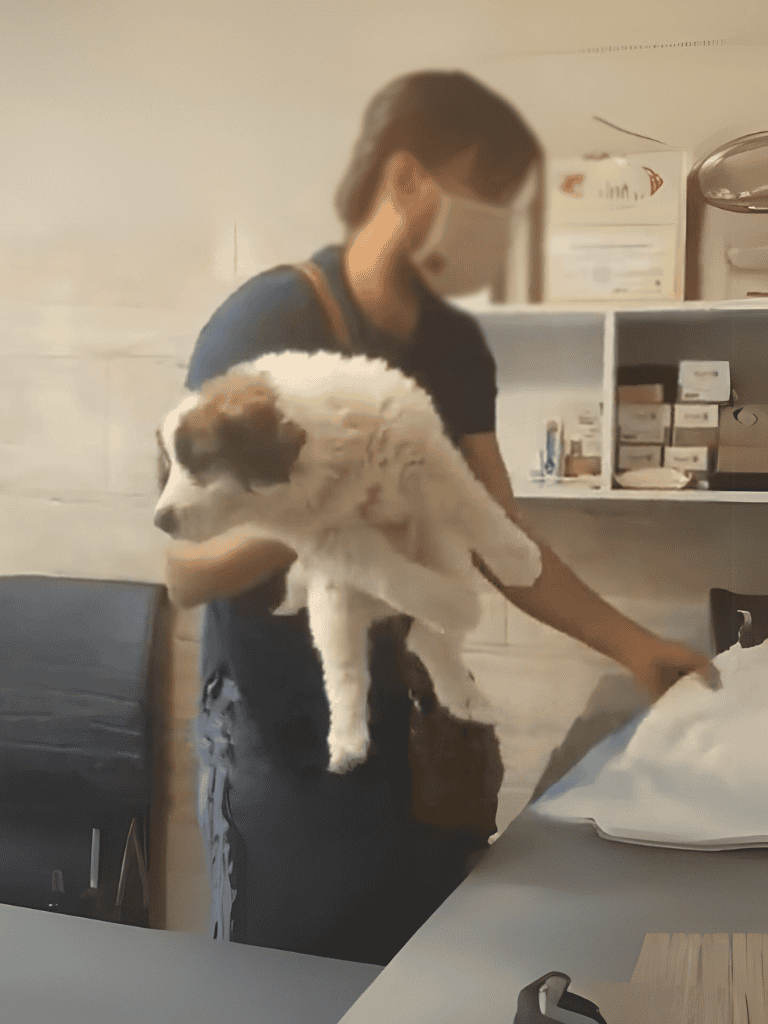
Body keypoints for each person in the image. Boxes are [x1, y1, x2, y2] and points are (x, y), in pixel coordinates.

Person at [164, 70, 712, 965]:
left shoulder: (451, 345)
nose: (495, 223)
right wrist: (324, 507)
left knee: (410, 957)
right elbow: (186, 569)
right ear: (408, 179)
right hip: (271, 731)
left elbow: (505, 537)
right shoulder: (267, 324)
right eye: (483, 196)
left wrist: (633, 647)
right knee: (281, 978)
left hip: (399, 718)